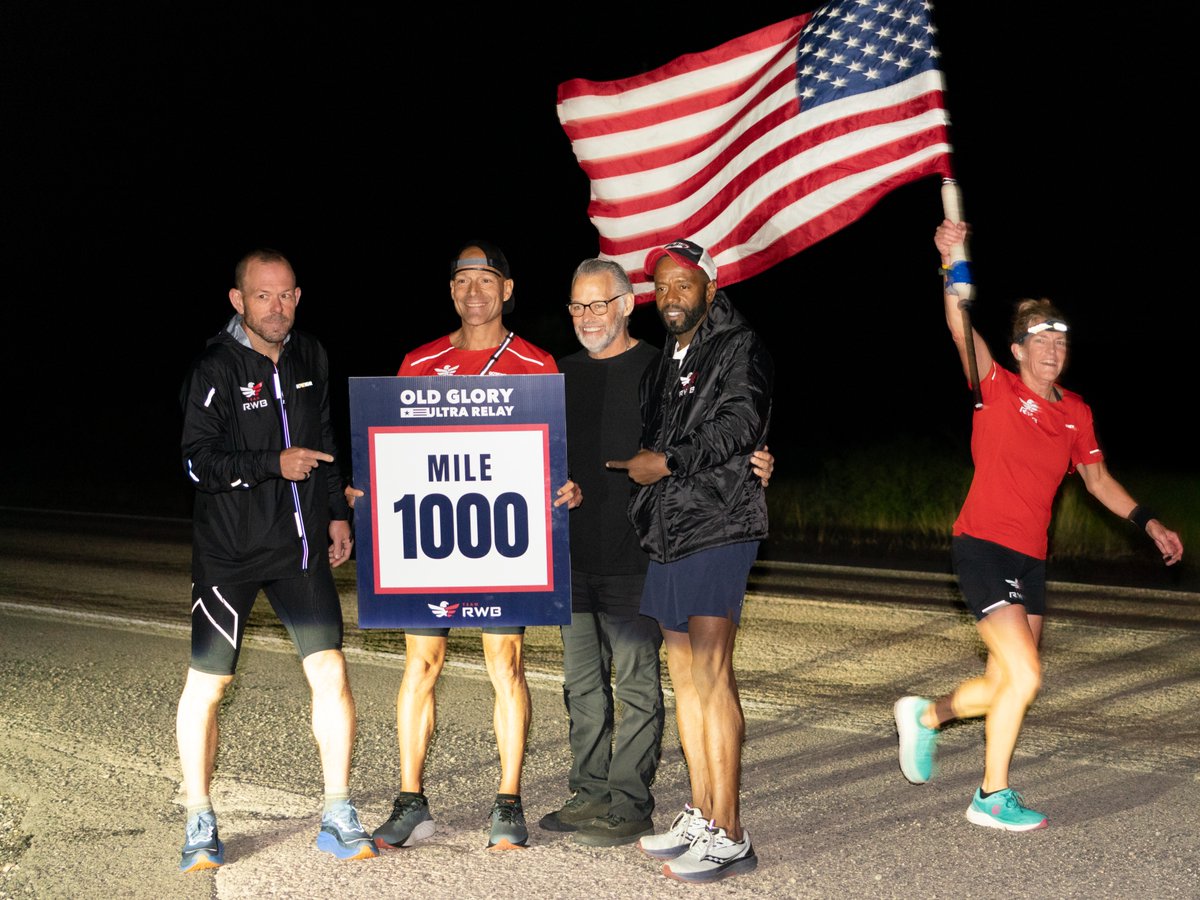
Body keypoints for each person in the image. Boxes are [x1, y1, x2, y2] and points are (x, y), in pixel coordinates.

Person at [893, 220, 1185, 832]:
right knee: (1027, 673)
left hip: (1031, 558)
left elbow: (1098, 481)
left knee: (1009, 682)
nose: (1052, 351)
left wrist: (1148, 520)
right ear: (1019, 349)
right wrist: (953, 263)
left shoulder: (1076, 412)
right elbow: (958, 326)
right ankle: (990, 796)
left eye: (1060, 342)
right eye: (1039, 341)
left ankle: (926, 716)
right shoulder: (994, 388)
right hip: (982, 548)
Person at [542, 258, 775, 849]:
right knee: (603, 684)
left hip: (667, 542)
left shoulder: (693, 354)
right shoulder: (576, 374)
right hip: (627, 542)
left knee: (672, 682)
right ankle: (641, 801)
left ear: (624, 306)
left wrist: (754, 460)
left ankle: (683, 815)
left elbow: (737, 420)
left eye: (599, 304)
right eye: (577, 306)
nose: (588, 317)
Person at [366, 240, 580, 852]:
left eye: (487, 280)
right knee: (421, 665)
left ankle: (508, 801)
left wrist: (565, 487)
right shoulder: (418, 361)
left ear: (507, 290)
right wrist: (369, 485)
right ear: (452, 291)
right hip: (431, 539)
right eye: (463, 281)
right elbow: (393, 448)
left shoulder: (538, 366)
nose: (475, 292)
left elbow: (555, 458)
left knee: (504, 665)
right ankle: (411, 801)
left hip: (498, 540)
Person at [176, 249, 375, 873]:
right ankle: (200, 817)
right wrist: (272, 463)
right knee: (209, 687)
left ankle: (338, 812)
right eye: (264, 296)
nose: (278, 307)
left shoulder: (310, 354)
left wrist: (336, 510)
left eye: (287, 294)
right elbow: (195, 463)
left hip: (299, 551)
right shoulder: (214, 368)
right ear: (239, 301)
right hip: (229, 554)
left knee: (332, 672)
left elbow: (325, 437)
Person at [608, 239, 772, 884]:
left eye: (683, 284)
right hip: (670, 529)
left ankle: (731, 832)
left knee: (712, 672)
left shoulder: (738, 345)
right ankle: (704, 813)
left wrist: (669, 462)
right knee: (685, 680)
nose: (671, 297)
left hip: (720, 522)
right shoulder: (663, 362)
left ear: (708, 285)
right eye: (662, 287)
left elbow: (741, 421)